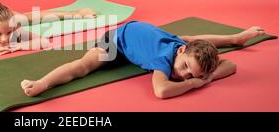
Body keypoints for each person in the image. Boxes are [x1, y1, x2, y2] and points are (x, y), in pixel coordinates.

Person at [21, 20, 265, 98]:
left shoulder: (185, 50)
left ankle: (235, 39)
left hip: (149, 35)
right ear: (180, 53)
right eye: (185, 68)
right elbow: (161, 90)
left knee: (188, 37)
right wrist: (194, 84)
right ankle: (42, 83)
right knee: (85, 65)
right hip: (118, 39)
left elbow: (231, 65)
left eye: (191, 75)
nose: (183, 75)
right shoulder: (164, 60)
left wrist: (207, 75)